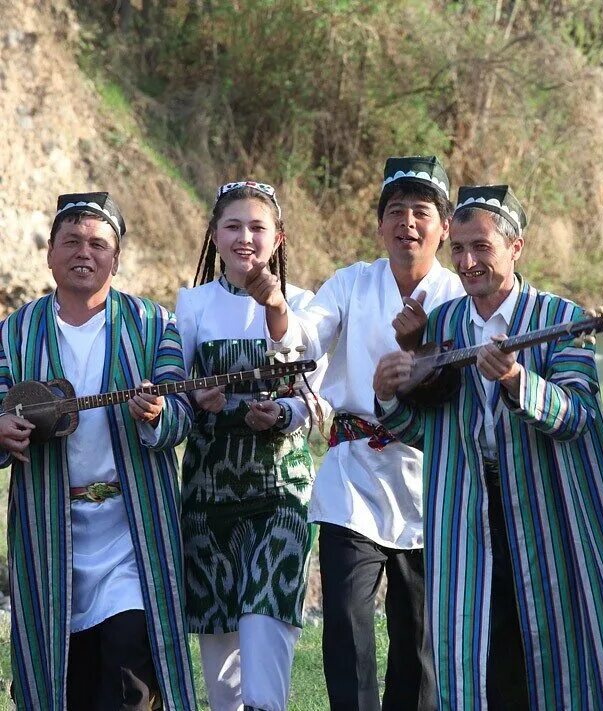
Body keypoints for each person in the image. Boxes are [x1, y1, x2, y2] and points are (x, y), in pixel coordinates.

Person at [369, 184, 603, 709]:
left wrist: (518, 381)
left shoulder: (561, 319)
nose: (467, 261)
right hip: (467, 518)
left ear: (516, 247)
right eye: (458, 248)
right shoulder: (446, 324)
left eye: (481, 247)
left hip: (550, 516)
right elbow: (432, 437)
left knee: (560, 650)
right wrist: (387, 397)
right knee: (481, 652)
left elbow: (579, 417)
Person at [246, 155, 462, 710]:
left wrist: (421, 351)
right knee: (345, 621)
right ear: (380, 224)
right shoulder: (350, 283)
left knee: (418, 637)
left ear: (443, 226)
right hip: (353, 473)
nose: (407, 224)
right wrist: (275, 307)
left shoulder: (457, 297)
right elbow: (306, 339)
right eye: (395, 211)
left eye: (421, 212)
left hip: (426, 479)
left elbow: (459, 382)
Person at [0, 193, 197, 709]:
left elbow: (183, 415)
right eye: (71, 241)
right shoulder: (14, 333)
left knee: (131, 680)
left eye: (98, 244)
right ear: (49, 253)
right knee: (68, 683)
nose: (83, 252)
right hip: (49, 533)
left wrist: (157, 414)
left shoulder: (156, 324)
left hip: (132, 533)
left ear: (116, 257)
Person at [175, 180, 325, 711]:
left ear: (278, 238)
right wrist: (197, 397)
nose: (245, 238)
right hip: (208, 492)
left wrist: (282, 413)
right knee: (221, 657)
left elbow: (312, 396)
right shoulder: (191, 304)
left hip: (279, 487)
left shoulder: (305, 303)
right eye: (232, 226)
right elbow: (173, 383)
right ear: (214, 236)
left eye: (257, 227)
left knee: (265, 621)